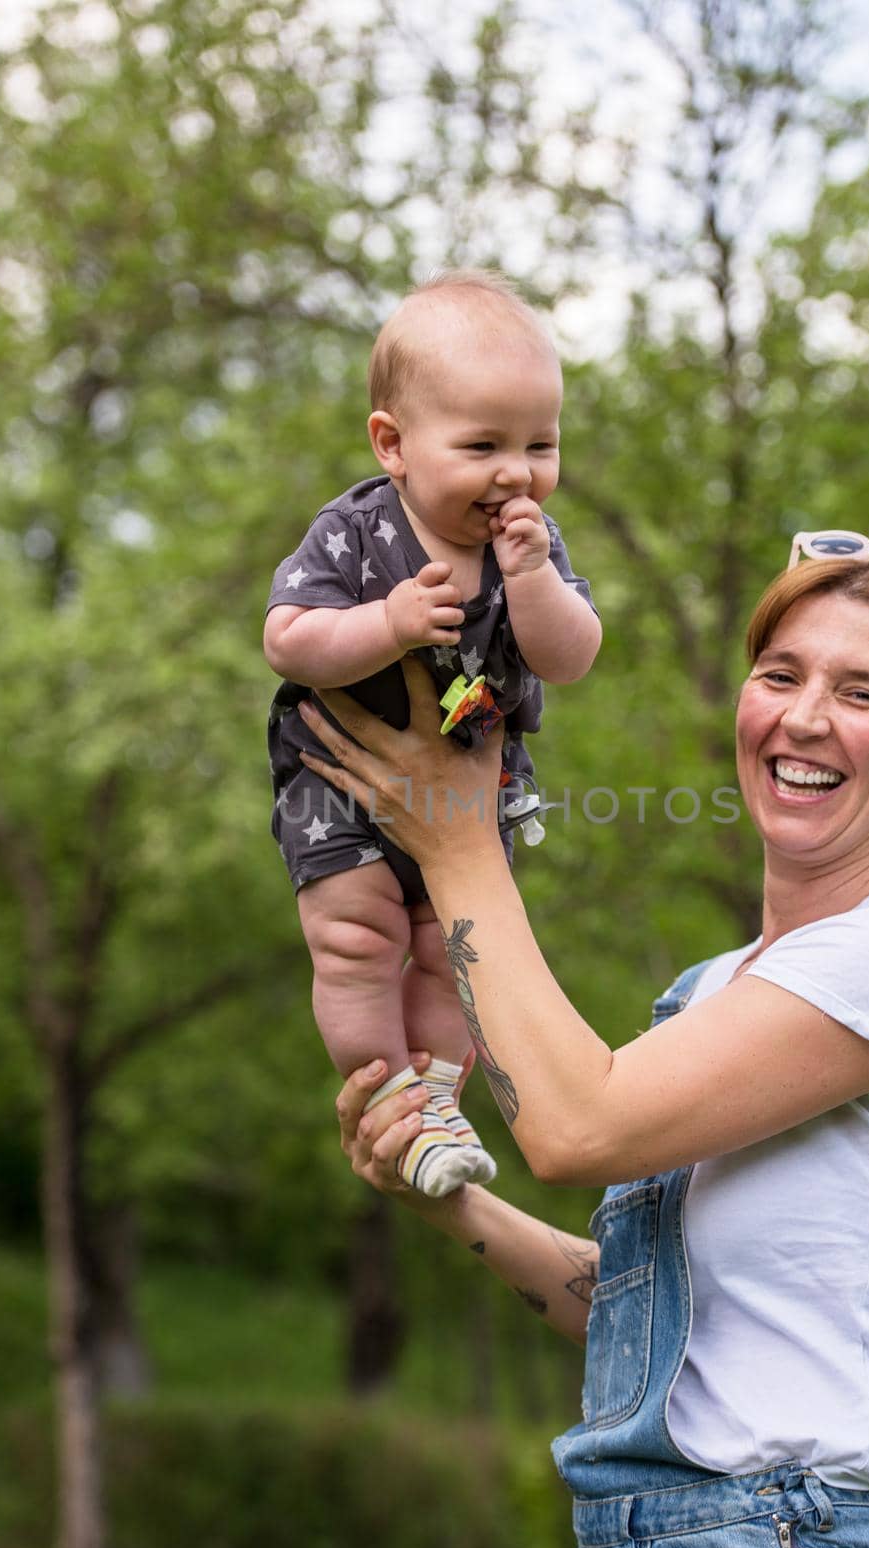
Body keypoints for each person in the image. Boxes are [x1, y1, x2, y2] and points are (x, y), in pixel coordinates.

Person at [297, 531, 869, 1548]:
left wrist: (455, 843)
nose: (804, 716)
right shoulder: (715, 988)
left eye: (861, 693)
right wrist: (450, 1204)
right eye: (780, 675)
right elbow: (638, 1311)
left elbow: (576, 1127)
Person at [263, 270, 601, 1198]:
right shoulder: (356, 533)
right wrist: (390, 624)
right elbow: (287, 639)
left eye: (541, 443)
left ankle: (441, 1104)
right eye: (484, 444)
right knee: (361, 942)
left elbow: (570, 656)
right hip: (342, 783)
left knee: (452, 955)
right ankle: (386, 1100)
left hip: (464, 793)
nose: (516, 473)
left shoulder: (535, 543)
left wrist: (531, 582)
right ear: (394, 443)